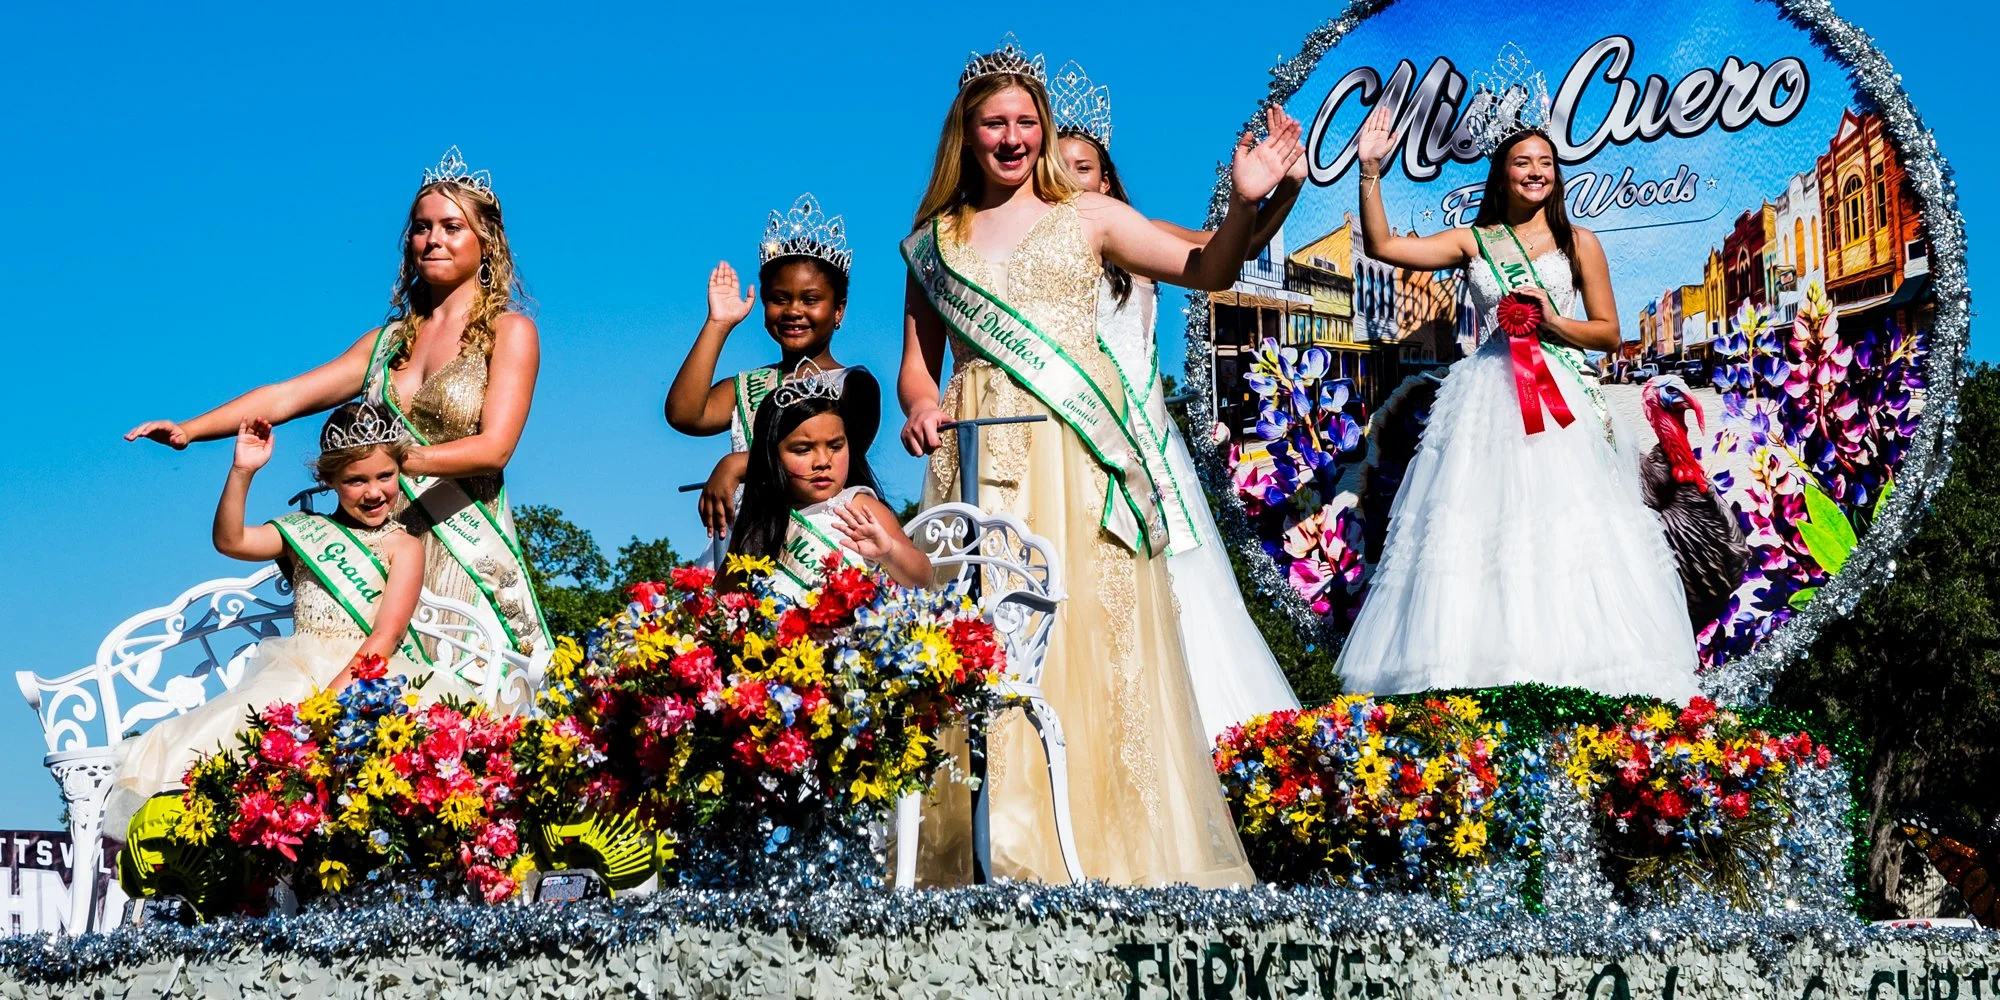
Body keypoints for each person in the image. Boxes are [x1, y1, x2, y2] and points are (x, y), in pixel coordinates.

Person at [898, 35, 1302, 888]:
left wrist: (1244, 199)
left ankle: (1109, 858)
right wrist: (924, 406)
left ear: (1042, 129)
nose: (1011, 138)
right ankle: (997, 850)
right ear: (963, 136)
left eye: (1024, 121)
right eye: (992, 124)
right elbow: (915, 366)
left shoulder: (1089, 218)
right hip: (974, 466)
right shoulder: (932, 241)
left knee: (1087, 642)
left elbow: (1210, 269)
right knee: (983, 652)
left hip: (1075, 457)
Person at [1332, 79, 1700, 702]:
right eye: (1522, 163)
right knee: (1481, 530)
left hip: (1559, 399)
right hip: (1487, 399)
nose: (1536, 172)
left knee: (1565, 529)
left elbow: (1609, 333)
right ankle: (1482, 673)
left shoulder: (1579, 242)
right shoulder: (1475, 242)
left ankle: (1575, 674)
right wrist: (1370, 172)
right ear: (1500, 175)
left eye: (1545, 163)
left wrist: (1553, 321)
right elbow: (1384, 246)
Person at [125, 147, 549, 659]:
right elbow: (287, 395)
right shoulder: (385, 343)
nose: (433, 239)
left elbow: (494, 449)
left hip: (464, 549)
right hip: (376, 543)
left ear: (487, 242)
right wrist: (191, 430)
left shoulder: (509, 332)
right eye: (421, 227)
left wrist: (391, 461)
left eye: (451, 227)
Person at [1049, 59, 1303, 741]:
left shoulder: (1134, 233)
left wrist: (1285, 192)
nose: (1069, 177)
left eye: (1083, 166)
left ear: (1105, 178)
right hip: (1065, 446)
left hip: (1143, 447)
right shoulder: (1026, 256)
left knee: (1186, 598)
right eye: (1056, 164)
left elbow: (1232, 251)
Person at [105, 402, 480, 838]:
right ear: (328, 481)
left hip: (367, 677)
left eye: (384, 476)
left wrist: (329, 703)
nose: (373, 491)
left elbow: (387, 633)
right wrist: (243, 471)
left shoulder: (404, 546)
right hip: (294, 670)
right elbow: (231, 540)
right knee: (223, 747)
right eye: (355, 480)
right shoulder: (302, 531)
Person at [664, 194, 883, 545]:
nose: (793, 310)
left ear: (838, 310)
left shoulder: (854, 384)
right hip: (747, 540)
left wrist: (736, 465)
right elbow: (684, 414)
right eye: (780, 299)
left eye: (810, 300)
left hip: (821, 543)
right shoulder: (750, 384)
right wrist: (718, 324)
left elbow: (845, 454)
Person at [724, 366, 928, 599]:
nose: (822, 461)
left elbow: (921, 575)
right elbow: (726, 596)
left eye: (835, 446)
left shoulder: (859, 507)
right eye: (803, 450)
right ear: (772, 457)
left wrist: (890, 552)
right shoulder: (759, 521)